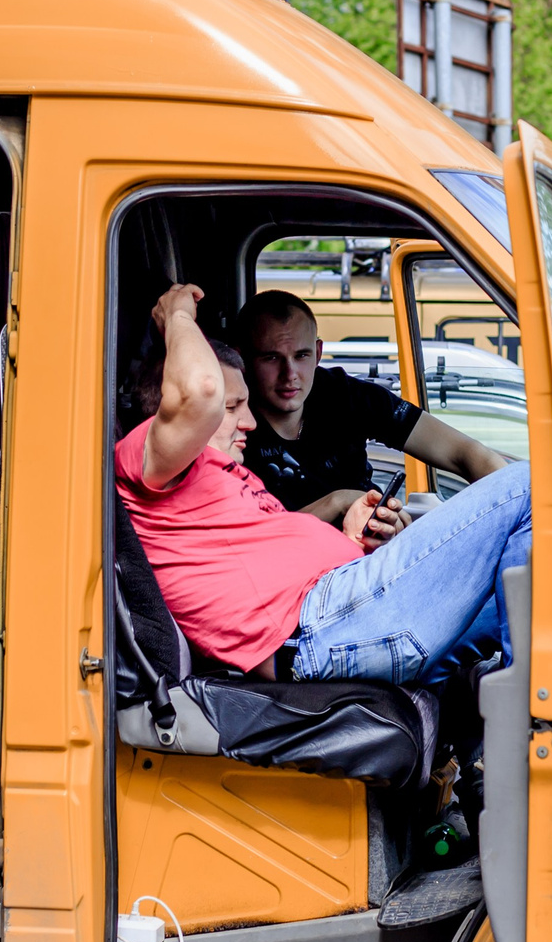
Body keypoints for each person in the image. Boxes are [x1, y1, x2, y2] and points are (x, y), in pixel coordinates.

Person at [118, 283, 530, 687]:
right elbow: (201, 390)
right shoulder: (153, 463)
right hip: (320, 630)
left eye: (244, 404)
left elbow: (275, 563)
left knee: (533, 589)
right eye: (230, 408)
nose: (249, 421)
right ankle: (536, 718)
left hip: (344, 609)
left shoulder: (228, 479)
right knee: (525, 487)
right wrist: (177, 315)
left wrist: (352, 539)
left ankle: (510, 713)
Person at [232, 289, 509, 539]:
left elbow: (465, 453)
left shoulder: (345, 395)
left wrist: (516, 507)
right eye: (271, 358)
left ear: (318, 353)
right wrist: (339, 502)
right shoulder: (228, 430)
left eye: (301, 356)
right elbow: (255, 543)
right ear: (241, 360)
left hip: (376, 552)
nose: (290, 374)